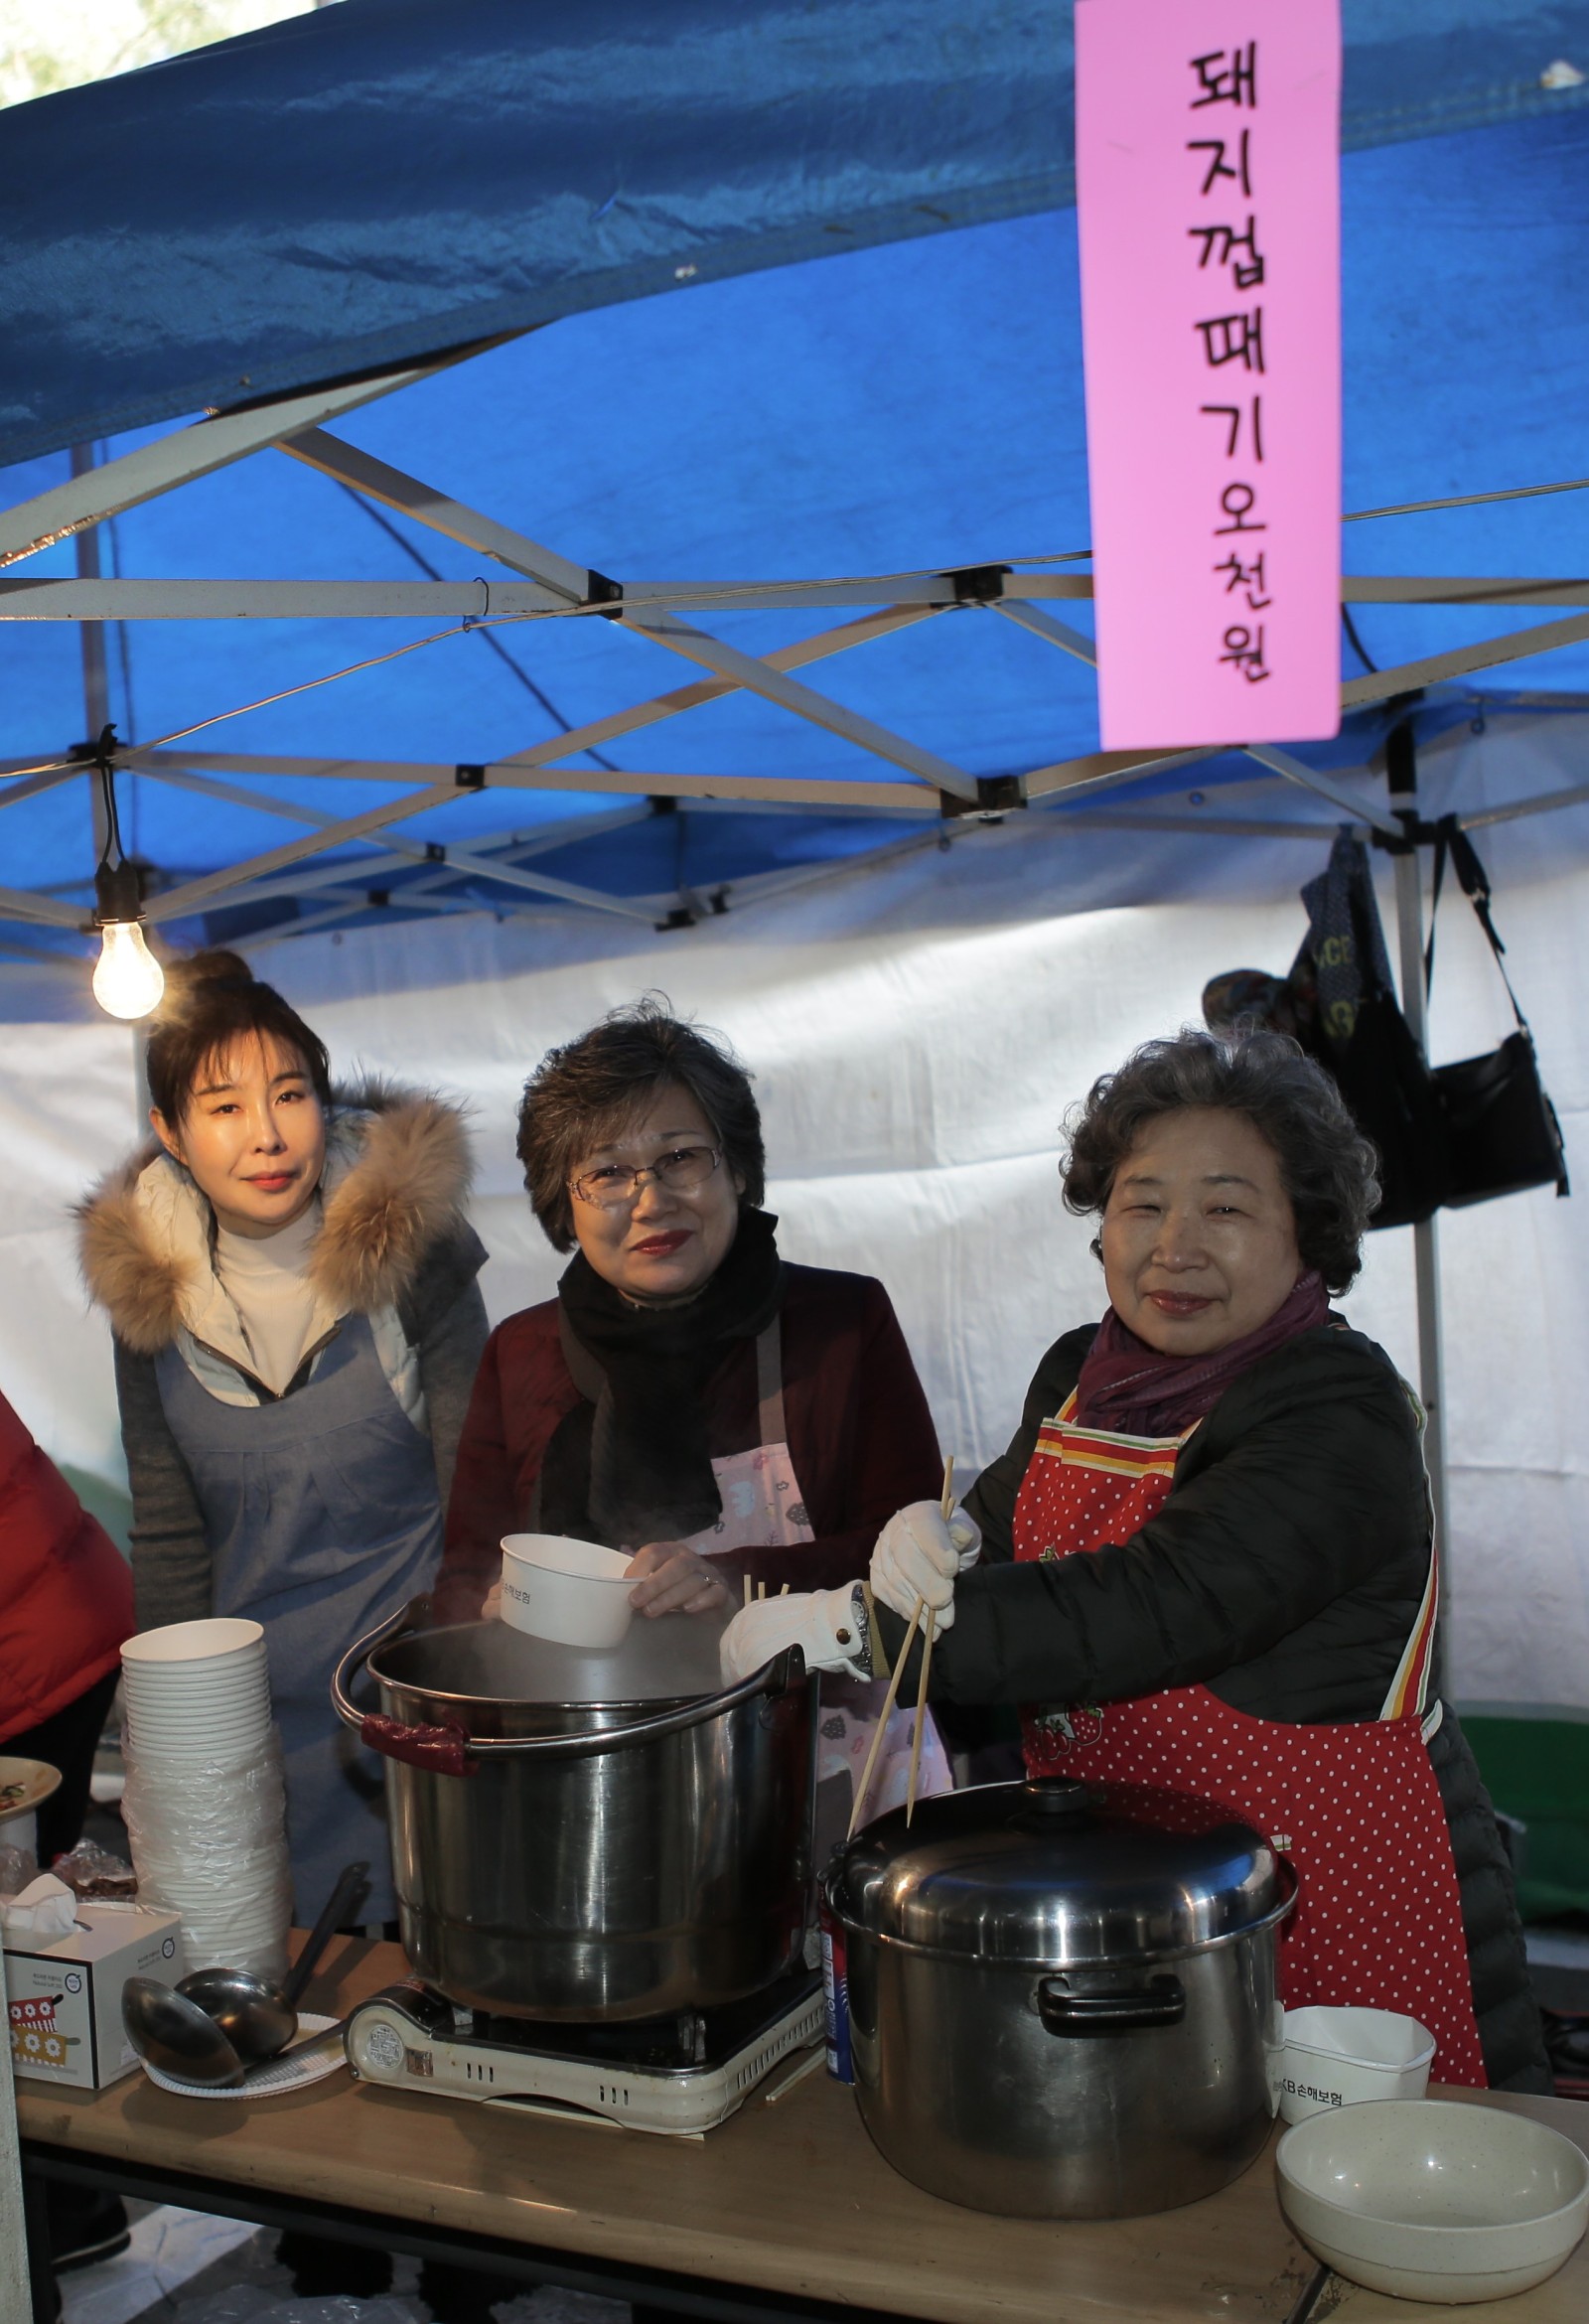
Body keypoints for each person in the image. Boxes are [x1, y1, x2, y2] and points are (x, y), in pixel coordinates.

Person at [723, 1029, 1550, 2095]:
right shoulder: (1082, 1374)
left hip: (1321, 1897)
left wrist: (852, 1626)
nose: (1175, 1248)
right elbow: (995, 1542)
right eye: (1143, 1205)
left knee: (1343, 2168)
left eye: (1226, 1210)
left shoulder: (1338, 1411)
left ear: (1307, 1233)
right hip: (1136, 1891)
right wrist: (933, 1539)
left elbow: (1150, 1608)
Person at [437, 997, 951, 1820]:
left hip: (833, 1773)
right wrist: (497, 1614)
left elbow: (919, 1564)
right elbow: (464, 1578)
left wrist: (737, 1582)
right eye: (607, 1173)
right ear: (563, 1203)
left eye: (681, 1157)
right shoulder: (522, 1353)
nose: (650, 1202)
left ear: (737, 1170)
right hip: (607, 1786)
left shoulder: (841, 1324)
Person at [76, 949, 489, 1933]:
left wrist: (475, 1684)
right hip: (251, 1724)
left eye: (290, 1094)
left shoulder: (412, 1248)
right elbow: (170, 1538)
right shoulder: (149, 1298)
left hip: (422, 1706)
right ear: (169, 1134)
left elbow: (476, 1487)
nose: (267, 1135)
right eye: (223, 1107)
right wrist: (170, 1743)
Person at [2, 1387, 137, 2278]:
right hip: (50, 1611)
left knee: (26, 1942)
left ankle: (57, 2210)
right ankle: (70, 2205)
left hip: (27, 1651)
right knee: (31, 1933)